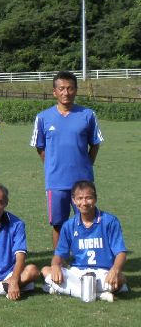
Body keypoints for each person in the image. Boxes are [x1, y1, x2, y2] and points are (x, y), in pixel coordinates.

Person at [30, 71, 104, 248]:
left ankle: (84, 259)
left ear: (76, 90)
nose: (66, 92)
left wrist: (86, 164)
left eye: (70, 88)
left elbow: (95, 143)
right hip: (56, 181)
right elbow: (39, 146)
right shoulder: (43, 117)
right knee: (58, 224)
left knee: (86, 221)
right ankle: (60, 260)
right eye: (61, 88)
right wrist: (51, 165)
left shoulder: (88, 115)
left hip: (82, 181)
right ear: (54, 91)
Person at [41, 181, 127, 301]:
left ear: (95, 198)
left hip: (103, 273)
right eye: (80, 198)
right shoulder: (69, 225)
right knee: (46, 270)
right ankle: (98, 295)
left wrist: (115, 270)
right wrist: (55, 265)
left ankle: (64, 289)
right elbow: (59, 254)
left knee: (120, 279)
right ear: (74, 200)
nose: (84, 203)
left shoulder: (110, 221)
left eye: (88, 198)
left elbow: (121, 253)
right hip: (77, 272)